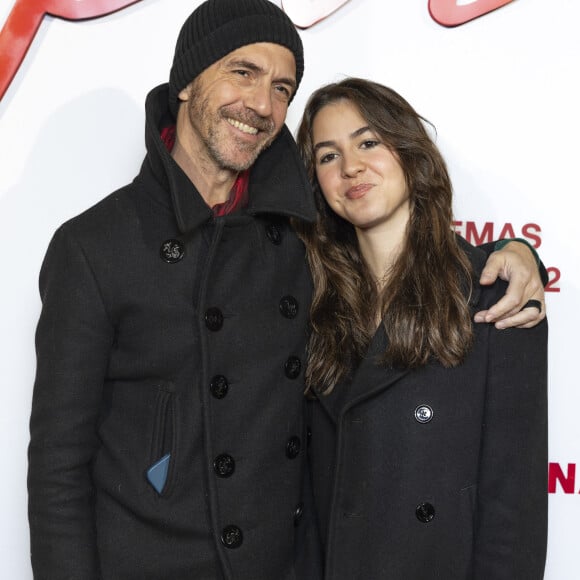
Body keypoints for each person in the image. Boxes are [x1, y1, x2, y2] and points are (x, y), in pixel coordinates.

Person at [27, 1, 545, 578]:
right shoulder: (93, 248)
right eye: (242, 73)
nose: (261, 105)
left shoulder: (301, 238)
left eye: (282, 88)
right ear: (187, 81)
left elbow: (401, 256)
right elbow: (57, 469)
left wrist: (521, 255)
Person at [294, 78, 548, 579]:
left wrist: (520, 250)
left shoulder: (496, 294)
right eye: (328, 156)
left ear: (410, 152)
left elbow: (513, 509)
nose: (351, 168)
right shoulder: (310, 302)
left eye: (368, 142)